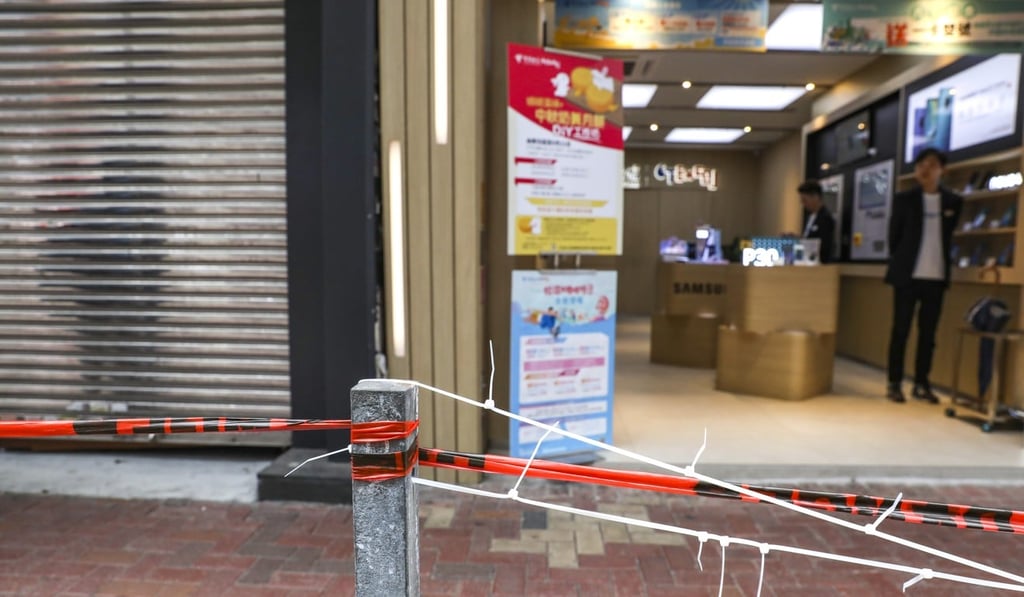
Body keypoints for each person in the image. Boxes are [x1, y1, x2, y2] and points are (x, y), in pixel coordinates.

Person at [884, 147, 964, 403]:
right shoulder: (903, 199)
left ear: (942, 169)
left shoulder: (953, 201)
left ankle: (921, 382)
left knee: (928, 334)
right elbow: (893, 238)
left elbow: (949, 234)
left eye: (931, 164)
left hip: (936, 276)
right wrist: (903, 260)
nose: (925, 170)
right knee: (901, 331)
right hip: (907, 275)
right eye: (920, 165)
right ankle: (894, 382)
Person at [798, 180, 835, 263]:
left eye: (805, 200)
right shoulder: (809, 217)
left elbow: (824, 247)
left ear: (815, 197)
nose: (803, 204)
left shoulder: (825, 218)